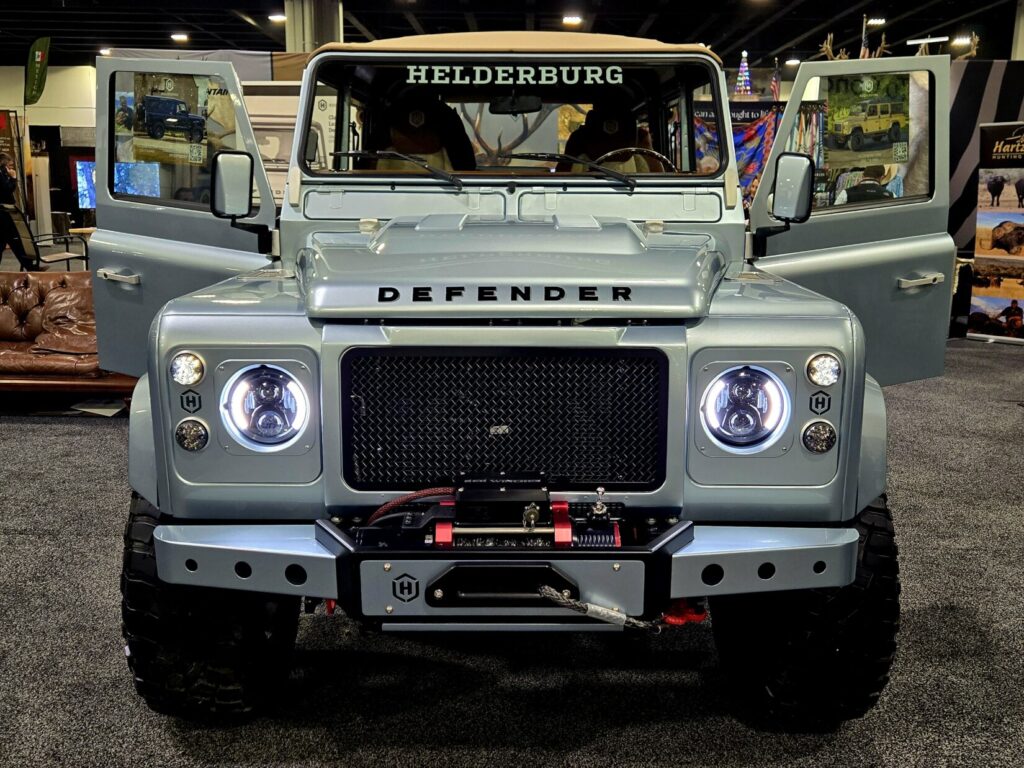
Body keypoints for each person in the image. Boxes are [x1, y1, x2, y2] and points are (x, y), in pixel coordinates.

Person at [0, 153, 40, 271]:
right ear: (3, 165)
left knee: (17, 242)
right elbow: (7, 190)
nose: (11, 168)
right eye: (10, 165)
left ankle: (30, 266)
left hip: (8, 214)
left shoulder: (2, 174)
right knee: (8, 242)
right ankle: (30, 267)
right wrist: (13, 178)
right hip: (3, 215)